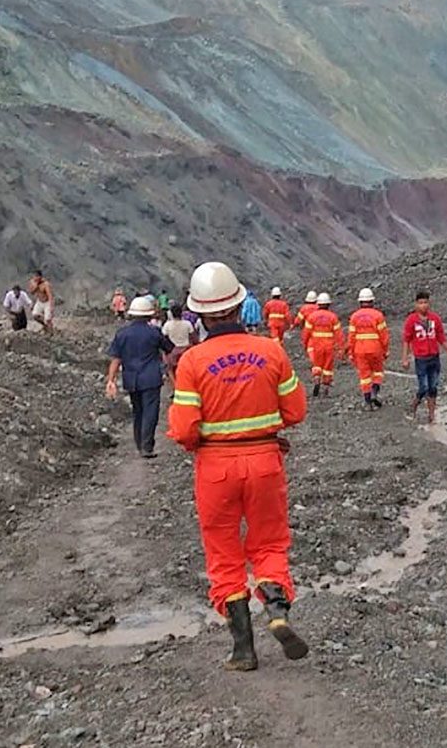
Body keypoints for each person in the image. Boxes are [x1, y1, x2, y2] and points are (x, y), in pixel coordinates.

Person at [167, 261, 308, 671]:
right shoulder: (271, 350)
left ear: (200, 312)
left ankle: (243, 650)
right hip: (265, 461)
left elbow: (183, 428)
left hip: (215, 468)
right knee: (269, 544)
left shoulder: (192, 363)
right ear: (239, 304)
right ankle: (277, 611)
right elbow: (296, 410)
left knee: (224, 554)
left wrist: (204, 441)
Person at [106, 296, 174, 459]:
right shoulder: (154, 333)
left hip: (131, 379)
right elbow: (169, 349)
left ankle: (139, 443)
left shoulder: (122, 334)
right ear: (149, 315)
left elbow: (116, 359)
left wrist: (111, 380)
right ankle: (146, 446)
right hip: (151, 378)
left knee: (138, 411)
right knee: (150, 411)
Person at [402, 289, 447, 423]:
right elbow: (406, 340)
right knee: (423, 387)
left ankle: (431, 414)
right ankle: (415, 403)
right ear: (416, 304)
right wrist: (405, 358)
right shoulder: (411, 320)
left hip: (434, 357)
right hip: (421, 358)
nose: (423, 305)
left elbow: (441, 337)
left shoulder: (435, 318)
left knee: (433, 386)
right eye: (420, 303)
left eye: (426, 302)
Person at [347, 288, 389, 409]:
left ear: (360, 302)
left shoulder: (354, 317)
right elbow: (384, 335)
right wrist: (385, 350)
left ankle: (367, 401)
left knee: (364, 376)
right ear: (372, 301)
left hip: (359, 349)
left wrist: (350, 352)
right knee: (377, 372)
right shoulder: (378, 315)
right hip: (376, 348)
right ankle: (375, 393)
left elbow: (351, 337)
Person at [302, 292, 344, 397]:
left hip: (316, 345)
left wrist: (305, 343)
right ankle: (326, 387)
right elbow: (339, 334)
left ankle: (316, 380)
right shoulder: (333, 317)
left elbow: (306, 333)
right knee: (327, 367)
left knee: (317, 365)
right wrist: (341, 348)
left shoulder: (312, 317)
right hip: (329, 346)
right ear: (328, 304)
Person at [162, 303, 198, 391]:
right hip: (186, 349)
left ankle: (175, 387)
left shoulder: (167, 325)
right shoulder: (187, 324)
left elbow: (163, 338)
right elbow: (193, 337)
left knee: (170, 370)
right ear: (181, 313)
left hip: (172, 351)